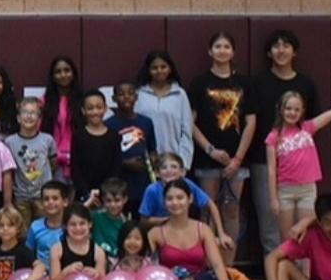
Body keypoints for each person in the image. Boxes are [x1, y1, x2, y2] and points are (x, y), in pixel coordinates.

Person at [249, 29, 321, 253]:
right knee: (270, 221)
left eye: (286, 46)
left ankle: (300, 269)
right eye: (276, 46)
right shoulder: (258, 82)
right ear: (269, 53)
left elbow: (312, 124)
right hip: (264, 160)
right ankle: (275, 266)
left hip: (297, 169)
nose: (281, 50)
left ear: (294, 52)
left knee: (302, 227)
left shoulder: (306, 84)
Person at [146, 181, 253, 280]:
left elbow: (217, 264)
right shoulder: (155, 234)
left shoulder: (203, 229)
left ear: (190, 199)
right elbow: (151, 272)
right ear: (164, 202)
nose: (175, 202)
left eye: (180, 197)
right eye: (170, 199)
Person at [265, 85, 331, 242]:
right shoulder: (274, 136)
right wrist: (273, 198)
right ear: (281, 109)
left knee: (306, 235)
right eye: (288, 108)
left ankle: (305, 260)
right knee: (287, 238)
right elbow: (271, 169)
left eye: (296, 109)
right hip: (285, 191)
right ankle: (287, 260)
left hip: (307, 190)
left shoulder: (308, 128)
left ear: (302, 111)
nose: (292, 113)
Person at [188, 31, 257, 250]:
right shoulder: (199, 83)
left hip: (236, 160)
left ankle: (228, 262)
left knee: (232, 210)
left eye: (226, 47)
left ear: (233, 51)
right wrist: (210, 150)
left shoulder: (244, 83)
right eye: (217, 47)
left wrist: (237, 159)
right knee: (208, 209)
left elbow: (251, 123)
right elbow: (190, 123)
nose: (222, 51)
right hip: (207, 158)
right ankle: (209, 260)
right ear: (210, 51)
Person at [138, 152, 232, 256]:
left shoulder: (187, 185)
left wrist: (221, 233)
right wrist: (168, 220)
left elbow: (210, 204)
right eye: (164, 168)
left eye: (174, 167)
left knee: (215, 242)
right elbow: (144, 221)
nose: (169, 170)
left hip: (183, 229)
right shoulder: (152, 190)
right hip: (160, 231)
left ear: (182, 172)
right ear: (157, 173)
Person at [133, 50, 194, 171]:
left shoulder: (180, 94)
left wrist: (183, 162)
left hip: (172, 162)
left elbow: (187, 131)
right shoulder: (139, 94)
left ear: (170, 69)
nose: (159, 71)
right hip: (145, 162)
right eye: (154, 68)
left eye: (163, 67)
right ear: (148, 70)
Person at [5, 97, 58, 227]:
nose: (29, 116)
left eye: (33, 113)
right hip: (21, 196)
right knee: (23, 231)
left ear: (39, 119)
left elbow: (53, 163)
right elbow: (9, 171)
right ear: (18, 118)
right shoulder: (9, 142)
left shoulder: (47, 140)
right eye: (25, 112)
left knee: (44, 228)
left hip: (43, 196)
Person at [106, 82, 157, 212]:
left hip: (142, 181)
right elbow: (106, 156)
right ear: (114, 99)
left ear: (136, 97)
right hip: (119, 182)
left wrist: (151, 160)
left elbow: (152, 149)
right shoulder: (108, 125)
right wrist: (124, 163)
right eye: (121, 94)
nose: (126, 97)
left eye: (130, 93)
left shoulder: (146, 122)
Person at [70, 89, 122, 204]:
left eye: (99, 107)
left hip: (108, 195)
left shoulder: (113, 136)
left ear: (105, 108)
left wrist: (105, 192)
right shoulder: (78, 135)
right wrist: (86, 193)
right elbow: (75, 168)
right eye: (90, 108)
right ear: (83, 110)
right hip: (84, 194)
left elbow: (116, 167)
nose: (95, 112)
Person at [40, 55, 82, 180]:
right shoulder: (44, 102)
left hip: (79, 160)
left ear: (73, 73)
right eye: (58, 72)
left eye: (67, 70)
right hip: (53, 162)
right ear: (53, 77)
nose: (63, 75)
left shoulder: (83, 101)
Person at [25, 180, 70, 271]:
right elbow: (28, 253)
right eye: (46, 199)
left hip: (66, 273)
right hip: (42, 275)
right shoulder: (35, 227)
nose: (50, 202)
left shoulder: (71, 227)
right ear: (42, 203)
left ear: (65, 202)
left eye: (55, 198)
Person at [90, 177, 130, 259]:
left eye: (117, 200)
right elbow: (72, 217)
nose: (113, 205)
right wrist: (89, 201)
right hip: (95, 259)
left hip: (116, 261)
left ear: (125, 199)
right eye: (108, 200)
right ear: (103, 200)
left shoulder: (126, 224)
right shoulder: (95, 216)